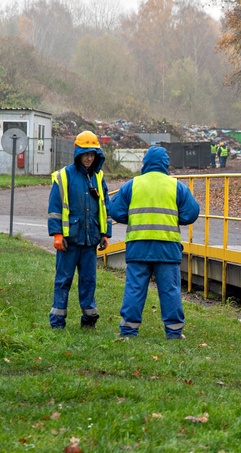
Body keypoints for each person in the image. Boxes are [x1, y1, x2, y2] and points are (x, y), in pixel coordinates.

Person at [110, 146, 200, 339]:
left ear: (145, 163)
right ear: (166, 164)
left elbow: (115, 210)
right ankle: (174, 332)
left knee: (135, 288)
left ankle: (128, 330)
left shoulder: (133, 185)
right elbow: (192, 213)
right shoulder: (176, 186)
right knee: (170, 290)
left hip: (138, 245)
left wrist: (133, 218)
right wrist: (175, 218)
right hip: (167, 246)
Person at [47, 130, 111, 329]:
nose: (89, 158)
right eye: (85, 154)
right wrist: (57, 234)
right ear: (78, 153)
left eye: (92, 154)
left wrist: (105, 233)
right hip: (69, 241)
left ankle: (89, 320)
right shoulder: (64, 176)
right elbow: (55, 208)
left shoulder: (98, 177)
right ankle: (57, 322)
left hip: (90, 240)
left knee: (89, 281)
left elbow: (105, 208)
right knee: (63, 281)